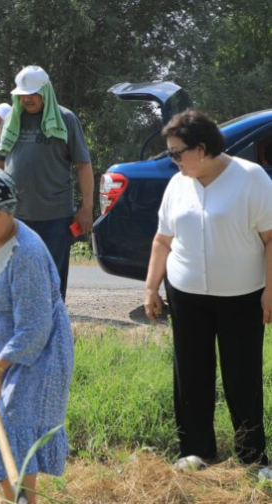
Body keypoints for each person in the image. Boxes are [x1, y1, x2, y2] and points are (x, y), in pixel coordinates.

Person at [144, 109, 272, 475]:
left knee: (242, 375)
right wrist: (151, 287)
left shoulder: (251, 179)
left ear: (201, 148)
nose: (173, 160)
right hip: (186, 295)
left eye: (176, 152)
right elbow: (162, 240)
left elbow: (270, 239)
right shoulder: (178, 184)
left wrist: (270, 292)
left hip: (242, 295)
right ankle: (196, 451)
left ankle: (252, 458)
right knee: (191, 374)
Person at [0, 169, 74, 504]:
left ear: (11, 212)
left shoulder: (27, 254)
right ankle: (14, 499)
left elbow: (34, 329)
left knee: (13, 425)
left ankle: (26, 499)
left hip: (39, 350)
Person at [0, 66, 93, 299]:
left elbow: (83, 165)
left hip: (55, 217)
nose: (26, 99)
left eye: (32, 93)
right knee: (17, 276)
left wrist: (86, 207)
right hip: (16, 215)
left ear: (46, 91)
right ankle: (25, 329)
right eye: (22, 94)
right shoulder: (11, 120)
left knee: (51, 278)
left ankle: (53, 329)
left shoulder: (66, 119)